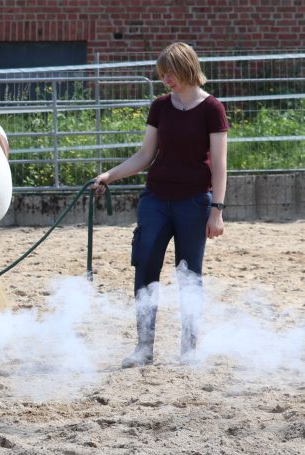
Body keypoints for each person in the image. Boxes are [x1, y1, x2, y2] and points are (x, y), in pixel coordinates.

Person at [92, 42, 229, 368]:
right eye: (162, 74)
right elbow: (145, 156)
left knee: (189, 275)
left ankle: (189, 348)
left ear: (186, 68)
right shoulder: (160, 107)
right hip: (155, 200)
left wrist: (217, 210)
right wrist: (110, 175)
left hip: (194, 202)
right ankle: (144, 347)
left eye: (170, 72)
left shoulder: (213, 109)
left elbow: (221, 165)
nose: (165, 78)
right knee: (145, 267)